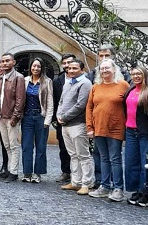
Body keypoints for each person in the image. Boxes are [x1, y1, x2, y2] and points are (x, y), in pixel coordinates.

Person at [86, 44, 131, 188]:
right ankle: (104, 186)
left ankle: (118, 187)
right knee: (103, 158)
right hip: (99, 127)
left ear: (114, 69)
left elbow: (129, 105)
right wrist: (89, 127)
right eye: (102, 68)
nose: (105, 70)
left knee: (115, 159)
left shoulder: (123, 84)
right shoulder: (95, 86)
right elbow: (89, 107)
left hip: (116, 128)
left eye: (108, 68)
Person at [57, 59, 94, 195]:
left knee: (83, 155)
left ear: (82, 70)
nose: (71, 70)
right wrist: (59, 115)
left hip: (78, 124)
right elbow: (61, 101)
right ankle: (75, 181)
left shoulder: (85, 83)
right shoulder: (68, 83)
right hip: (65, 124)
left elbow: (80, 105)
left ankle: (86, 183)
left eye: (74, 68)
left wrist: (64, 116)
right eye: (70, 68)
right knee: (73, 155)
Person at [124, 66, 148, 207]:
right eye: (134, 74)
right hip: (130, 131)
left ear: (145, 75)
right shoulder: (130, 89)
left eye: (139, 74)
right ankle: (137, 190)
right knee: (131, 163)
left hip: (146, 132)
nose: (136, 76)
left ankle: (147, 193)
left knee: (147, 164)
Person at [0, 53, 25, 182]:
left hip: (11, 117)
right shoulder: (2, 78)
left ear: (13, 62)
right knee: (6, 145)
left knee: (14, 145)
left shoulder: (18, 78)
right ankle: (11, 169)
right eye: (3, 61)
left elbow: (20, 99)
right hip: (1, 116)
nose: (5, 63)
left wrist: (15, 117)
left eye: (7, 61)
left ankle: (14, 171)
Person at [21, 57, 53, 183]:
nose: (35, 68)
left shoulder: (47, 82)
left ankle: (37, 173)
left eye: (38, 66)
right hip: (27, 117)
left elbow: (50, 102)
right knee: (26, 146)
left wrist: (47, 120)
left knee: (40, 146)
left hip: (41, 117)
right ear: (30, 67)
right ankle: (27, 172)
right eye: (34, 66)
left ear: (42, 68)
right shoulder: (25, 81)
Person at [52, 53, 75, 183]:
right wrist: (55, 119)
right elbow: (55, 100)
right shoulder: (58, 80)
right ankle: (66, 172)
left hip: (77, 119)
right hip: (61, 120)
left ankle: (78, 174)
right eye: (65, 63)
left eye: (69, 63)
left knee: (77, 148)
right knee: (63, 147)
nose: (67, 66)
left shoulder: (83, 79)